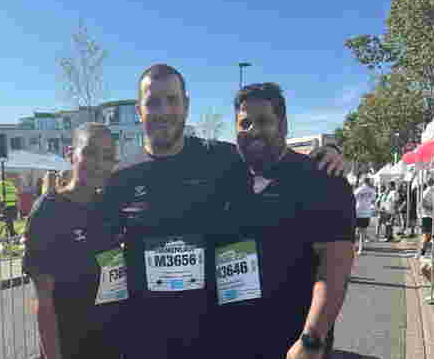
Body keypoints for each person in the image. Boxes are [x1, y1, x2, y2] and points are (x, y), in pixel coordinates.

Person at [100, 65, 347, 359]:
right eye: (153, 102)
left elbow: (334, 262)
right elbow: (104, 252)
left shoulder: (220, 158)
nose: (163, 111)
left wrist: (330, 151)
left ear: (186, 105)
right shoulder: (120, 178)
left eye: (172, 100)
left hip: (210, 336)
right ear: (139, 110)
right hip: (150, 337)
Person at [209, 83, 355, 359]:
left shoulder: (323, 181)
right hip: (232, 341)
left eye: (263, 121)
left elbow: (334, 271)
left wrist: (311, 339)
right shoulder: (226, 177)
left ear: (284, 125)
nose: (253, 130)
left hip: (292, 346)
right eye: (245, 123)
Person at [22, 123, 122, 359]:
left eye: (108, 157)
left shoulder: (109, 208)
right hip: (70, 348)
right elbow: (44, 303)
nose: (99, 164)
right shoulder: (48, 211)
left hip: (111, 345)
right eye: (90, 153)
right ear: (70, 154)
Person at [0, 172, 19, 237]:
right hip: (14, 206)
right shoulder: (11, 184)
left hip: (6, 206)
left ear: (0, 177)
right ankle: (8, 233)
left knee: (8, 221)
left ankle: (12, 234)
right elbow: (16, 195)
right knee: (9, 221)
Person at [354, 178, 376, 254]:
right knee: (362, 232)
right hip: (366, 213)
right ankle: (360, 248)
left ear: (363, 182)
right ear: (368, 182)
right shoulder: (372, 191)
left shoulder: (358, 190)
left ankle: (354, 247)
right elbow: (373, 201)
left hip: (358, 212)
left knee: (356, 230)